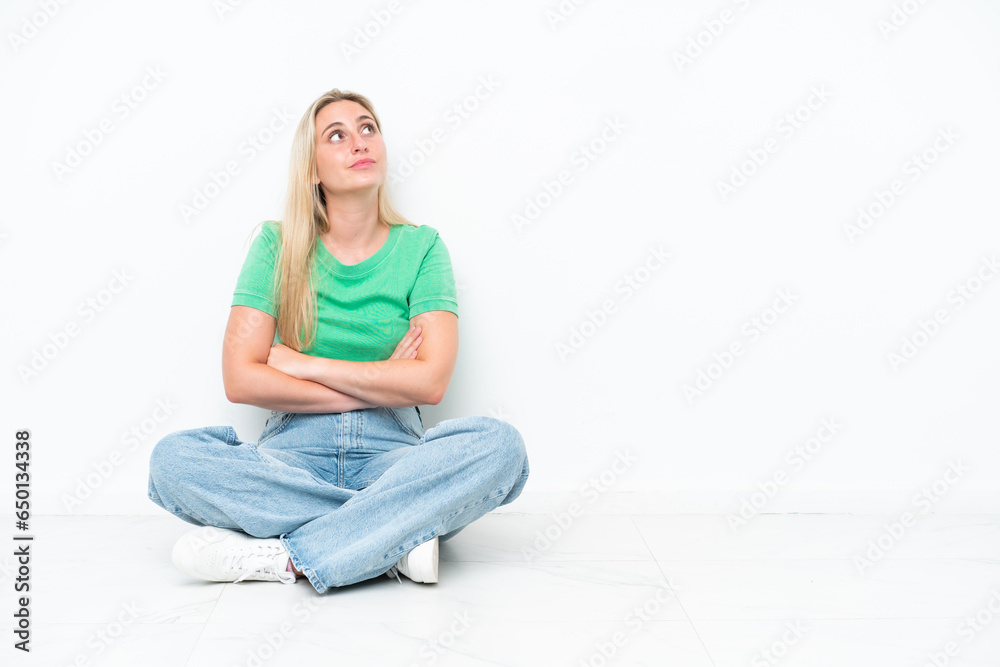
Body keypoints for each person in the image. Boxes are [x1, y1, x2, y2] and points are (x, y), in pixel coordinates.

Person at [146, 88, 530, 594]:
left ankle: (289, 556)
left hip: (394, 457)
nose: (359, 142)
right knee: (172, 460)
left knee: (501, 449)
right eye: (337, 135)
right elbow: (240, 378)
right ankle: (390, 540)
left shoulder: (422, 247)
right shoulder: (274, 245)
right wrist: (385, 380)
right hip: (293, 457)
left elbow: (431, 382)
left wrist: (305, 365)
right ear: (312, 168)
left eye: (368, 128)